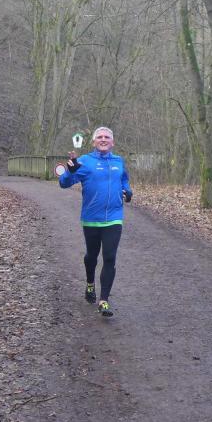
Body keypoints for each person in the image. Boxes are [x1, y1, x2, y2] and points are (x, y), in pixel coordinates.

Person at [58, 127, 132, 316]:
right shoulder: (84, 161)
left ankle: (104, 300)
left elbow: (124, 180)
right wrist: (70, 171)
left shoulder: (118, 161)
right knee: (92, 256)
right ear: (93, 142)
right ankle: (90, 283)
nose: (103, 139)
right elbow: (64, 183)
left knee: (110, 257)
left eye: (107, 137)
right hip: (91, 218)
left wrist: (128, 191)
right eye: (99, 137)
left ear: (113, 142)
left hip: (114, 218)